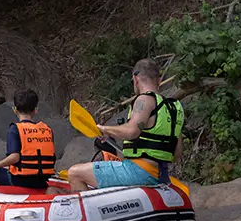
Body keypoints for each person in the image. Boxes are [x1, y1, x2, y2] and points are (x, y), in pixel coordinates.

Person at [67, 57, 184, 192]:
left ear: (135, 78)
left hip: (139, 173)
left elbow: (132, 131)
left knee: (75, 173)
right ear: (159, 80)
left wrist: (105, 129)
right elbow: (177, 153)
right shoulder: (174, 108)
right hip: (162, 175)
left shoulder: (144, 99)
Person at [0, 89, 56, 191]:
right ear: (36, 110)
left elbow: (15, 157)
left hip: (20, 180)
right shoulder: (47, 130)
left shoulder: (15, 129)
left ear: (14, 110)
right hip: (41, 181)